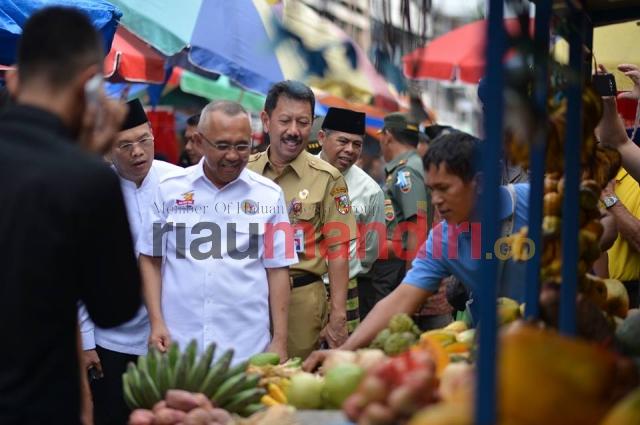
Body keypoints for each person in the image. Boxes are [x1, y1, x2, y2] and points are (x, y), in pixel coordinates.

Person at [0, 7, 140, 425]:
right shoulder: (86, 178)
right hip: (38, 406)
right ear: (88, 86)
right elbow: (115, 308)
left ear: (12, 79)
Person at [303, 132, 531, 369]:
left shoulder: (533, 202)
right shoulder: (443, 238)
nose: (436, 201)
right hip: (491, 353)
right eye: (432, 190)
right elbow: (402, 298)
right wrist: (344, 351)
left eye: (444, 188)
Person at [139, 100, 295, 363]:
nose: (233, 156)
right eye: (222, 146)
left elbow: (278, 269)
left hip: (247, 349)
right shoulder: (168, 190)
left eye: (242, 146)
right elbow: (150, 259)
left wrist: (279, 339)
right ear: (199, 142)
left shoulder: (269, 195)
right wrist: (156, 322)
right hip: (179, 346)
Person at [79, 99, 184, 425]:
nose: (138, 152)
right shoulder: (93, 192)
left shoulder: (180, 183)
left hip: (176, 333)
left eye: (143, 140)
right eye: (125, 145)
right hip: (115, 339)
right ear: (108, 150)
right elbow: (80, 272)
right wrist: (85, 340)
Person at [247, 80, 357, 358]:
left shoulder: (329, 178)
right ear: (266, 120)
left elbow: (338, 250)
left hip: (302, 303)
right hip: (248, 298)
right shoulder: (244, 174)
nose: (294, 131)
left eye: (303, 122)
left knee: (294, 384)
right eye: (285, 121)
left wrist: (338, 317)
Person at [317, 107, 386, 333]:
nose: (350, 150)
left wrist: (348, 267)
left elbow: (372, 249)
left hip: (346, 288)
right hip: (299, 286)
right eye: (343, 141)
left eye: (357, 144)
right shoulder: (298, 173)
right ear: (321, 138)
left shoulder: (371, 191)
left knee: (340, 359)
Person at [359, 113, 429, 320]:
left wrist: (412, 283)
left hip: (395, 268)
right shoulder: (409, 167)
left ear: (387, 136)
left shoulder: (405, 172)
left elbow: (418, 224)